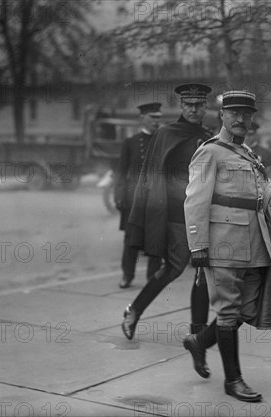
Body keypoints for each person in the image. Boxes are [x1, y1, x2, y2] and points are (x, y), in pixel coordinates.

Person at [183, 90, 271, 402]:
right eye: (233, 113)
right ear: (221, 115)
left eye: (246, 114)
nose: (240, 119)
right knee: (228, 312)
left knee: (245, 310)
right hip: (224, 244)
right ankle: (233, 381)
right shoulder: (210, 152)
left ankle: (198, 343)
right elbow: (195, 201)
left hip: (255, 242)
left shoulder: (247, 152)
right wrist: (198, 245)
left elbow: (257, 191)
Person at [121, 84, 213, 341]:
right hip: (176, 214)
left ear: (205, 107)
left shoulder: (209, 136)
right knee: (175, 268)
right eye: (189, 105)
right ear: (182, 106)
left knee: (202, 273)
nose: (194, 109)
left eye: (199, 105)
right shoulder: (167, 134)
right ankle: (134, 311)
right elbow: (152, 175)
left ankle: (198, 338)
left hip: (204, 214)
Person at [114, 102, 164, 289]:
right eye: (152, 118)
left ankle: (153, 276)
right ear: (142, 118)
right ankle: (127, 275)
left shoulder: (163, 142)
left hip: (157, 200)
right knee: (130, 240)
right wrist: (118, 197)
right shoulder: (131, 143)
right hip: (133, 200)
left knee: (156, 239)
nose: (156, 122)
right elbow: (121, 172)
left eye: (158, 118)